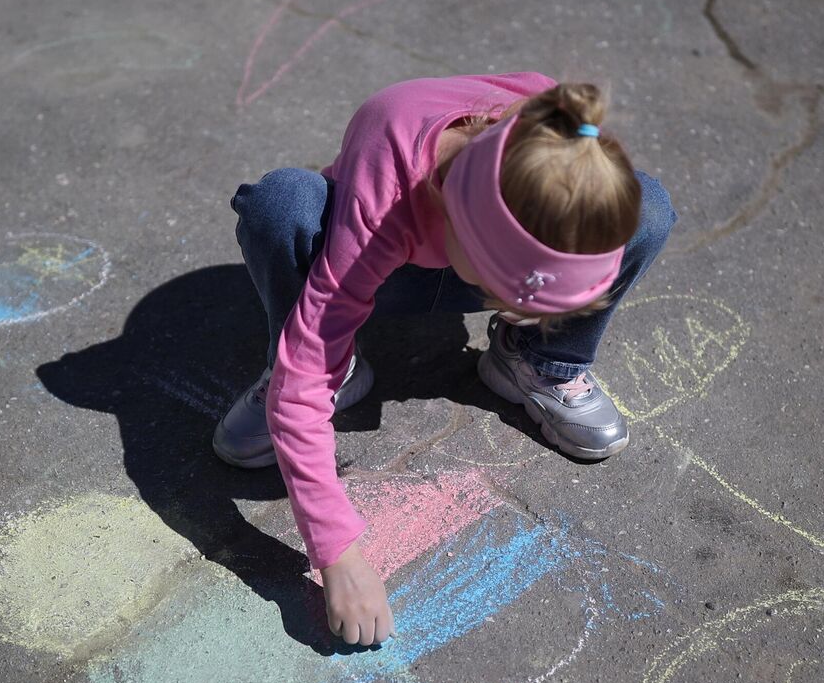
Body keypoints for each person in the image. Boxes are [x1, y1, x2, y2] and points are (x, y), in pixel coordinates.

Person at [215, 73, 678, 646]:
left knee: (647, 205)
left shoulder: (556, 138)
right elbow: (301, 383)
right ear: (458, 225)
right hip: (383, 266)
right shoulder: (381, 190)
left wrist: (531, 294)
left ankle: (538, 362)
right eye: (518, 305)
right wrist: (337, 554)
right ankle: (338, 361)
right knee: (282, 206)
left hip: (460, 255)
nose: (520, 309)